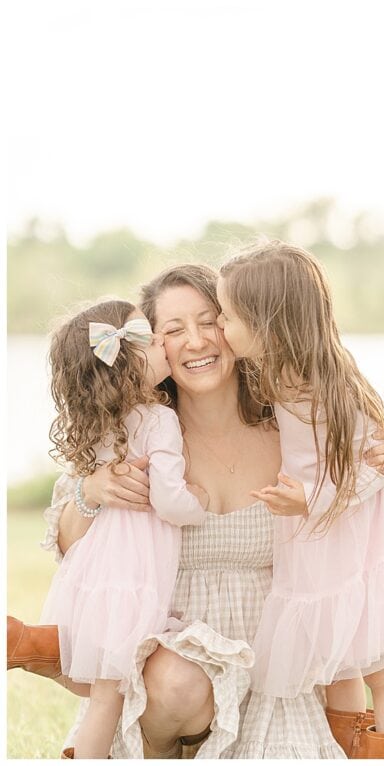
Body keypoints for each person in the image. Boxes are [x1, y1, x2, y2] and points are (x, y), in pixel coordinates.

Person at [7, 262, 384, 758]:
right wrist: (90, 492)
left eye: (210, 321)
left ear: (238, 325)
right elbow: (72, 547)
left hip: (277, 677)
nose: (197, 341)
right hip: (170, 674)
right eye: (173, 330)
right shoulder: (134, 433)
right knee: (178, 680)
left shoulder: (293, 420)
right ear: (149, 345)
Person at [216, 241, 384, 758]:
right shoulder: (277, 376)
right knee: (335, 663)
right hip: (315, 539)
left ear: (267, 320)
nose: (223, 328)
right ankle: (342, 749)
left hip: (355, 535)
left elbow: (371, 469)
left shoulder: (326, 382)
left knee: (380, 667)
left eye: (228, 317)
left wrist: (310, 500)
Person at [38, 300, 208, 758]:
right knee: (109, 697)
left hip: (95, 573)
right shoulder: (160, 419)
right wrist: (200, 506)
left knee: (103, 694)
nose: (164, 346)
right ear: (129, 363)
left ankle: (34, 648)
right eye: (152, 340)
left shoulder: (98, 422)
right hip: (135, 577)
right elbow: (170, 499)